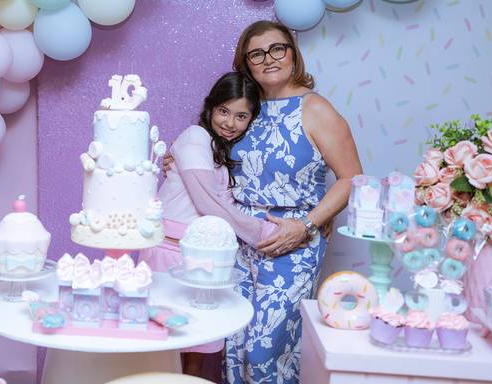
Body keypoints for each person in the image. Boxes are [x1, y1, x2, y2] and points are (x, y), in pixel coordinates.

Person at [222, 20, 362, 384]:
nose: (268, 59)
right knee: (235, 341)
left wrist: (307, 225)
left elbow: (351, 178)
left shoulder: (314, 109)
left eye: (277, 49)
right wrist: (179, 161)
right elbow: (220, 154)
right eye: (256, 54)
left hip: (292, 243)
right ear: (246, 63)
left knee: (266, 349)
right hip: (239, 242)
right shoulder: (245, 108)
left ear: (292, 54)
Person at [139, 71, 279, 377]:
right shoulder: (195, 137)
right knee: (163, 341)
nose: (230, 123)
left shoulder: (220, 151)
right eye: (223, 111)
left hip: (204, 256)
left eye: (241, 116)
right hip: (168, 252)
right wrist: (265, 232)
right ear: (210, 108)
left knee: (198, 342)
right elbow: (208, 204)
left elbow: (222, 204)